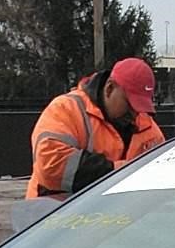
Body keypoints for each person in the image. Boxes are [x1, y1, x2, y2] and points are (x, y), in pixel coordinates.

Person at [25, 55, 165, 205]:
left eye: (140, 106)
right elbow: (51, 165)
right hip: (51, 216)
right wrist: (119, 171)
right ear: (109, 89)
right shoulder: (67, 109)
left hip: (111, 216)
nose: (135, 113)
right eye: (130, 104)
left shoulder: (145, 124)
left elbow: (165, 173)